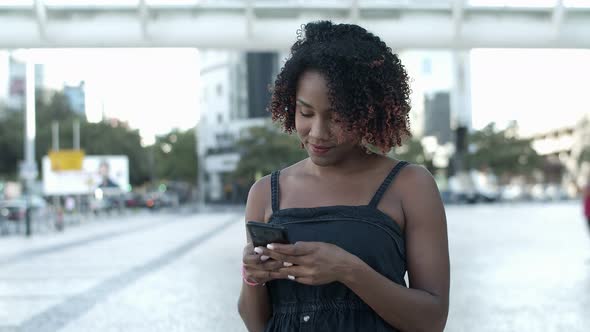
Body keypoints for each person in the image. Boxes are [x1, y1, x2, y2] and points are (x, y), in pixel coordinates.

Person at [238, 21, 450, 332]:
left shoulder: (410, 185)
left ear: (369, 112)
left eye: (338, 117)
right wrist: (252, 276)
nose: (318, 133)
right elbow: (256, 325)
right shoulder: (265, 193)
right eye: (306, 113)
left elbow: (432, 321)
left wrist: (347, 269)